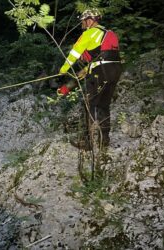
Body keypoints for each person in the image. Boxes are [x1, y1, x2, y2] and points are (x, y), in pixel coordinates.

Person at [57, 8, 122, 150]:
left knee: (90, 105)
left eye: (84, 21)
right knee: (104, 105)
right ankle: (105, 140)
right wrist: (86, 70)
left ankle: (88, 142)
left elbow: (74, 53)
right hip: (114, 71)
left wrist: (62, 70)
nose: (83, 24)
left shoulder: (89, 33)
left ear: (90, 20)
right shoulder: (110, 34)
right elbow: (105, 56)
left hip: (101, 71)